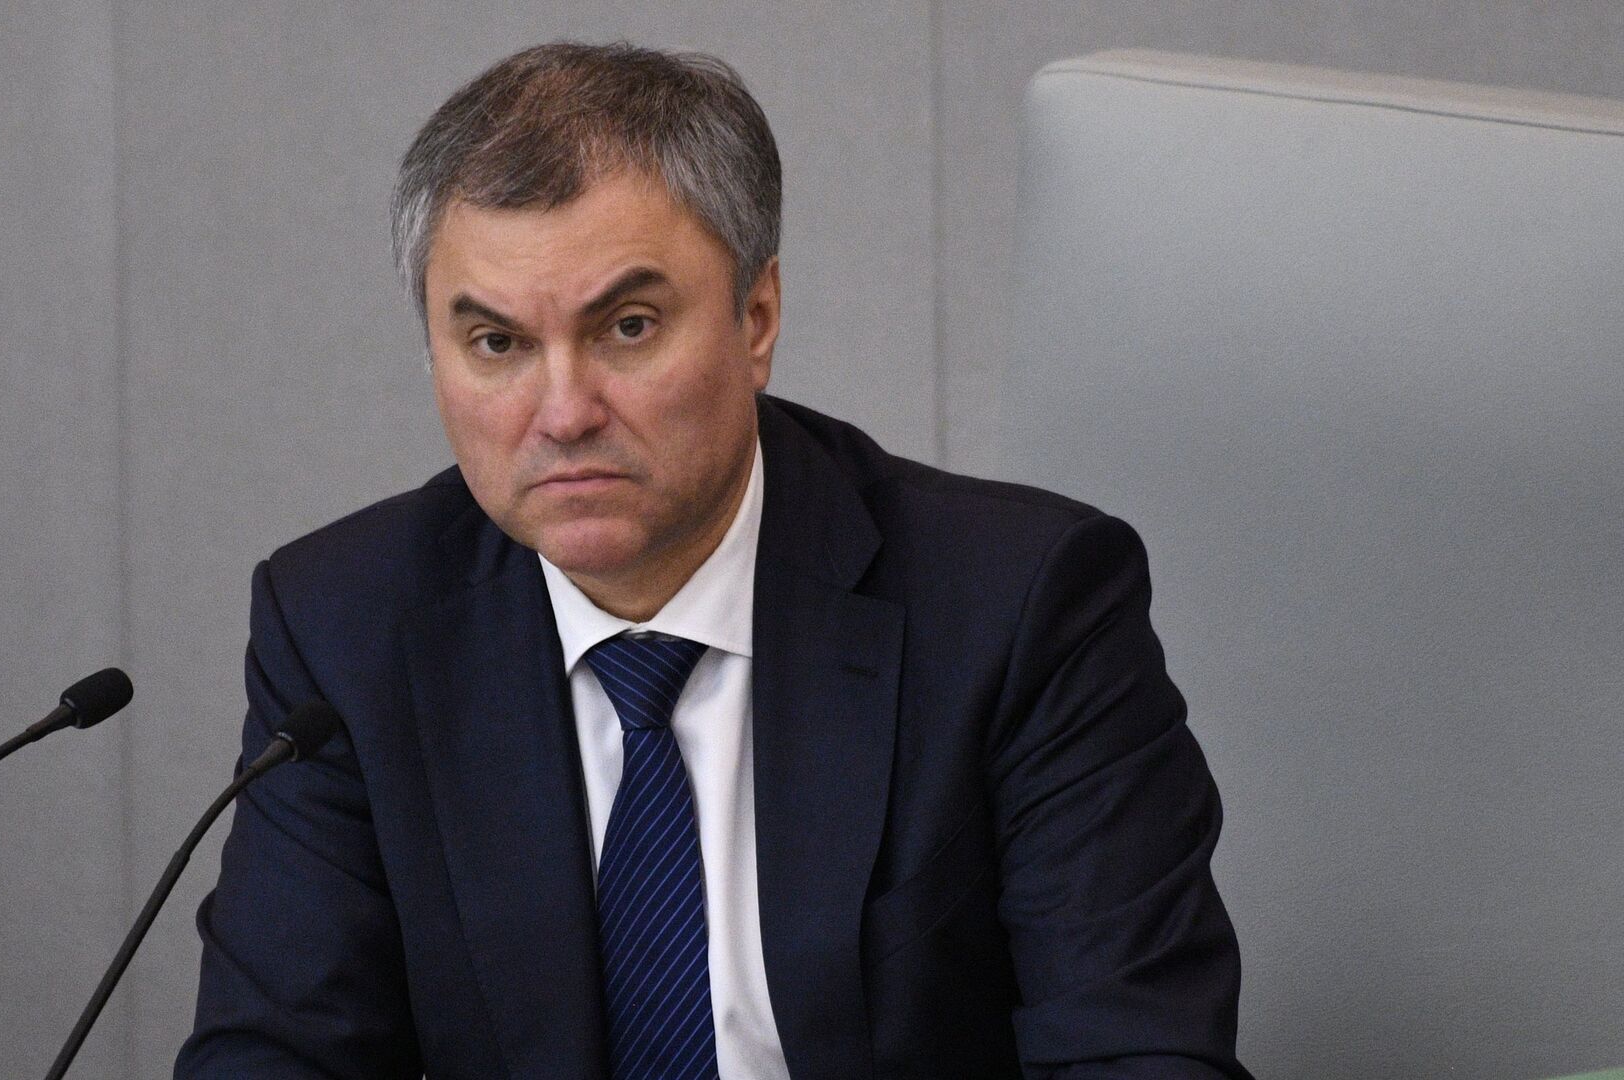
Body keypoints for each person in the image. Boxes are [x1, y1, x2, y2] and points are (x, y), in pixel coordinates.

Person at [177, 41, 1251, 1080]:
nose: (563, 413)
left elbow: (1138, 1050)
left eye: (628, 327)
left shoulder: (1017, 607)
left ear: (756, 319)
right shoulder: (347, 630)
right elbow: (276, 1055)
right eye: (498, 344)